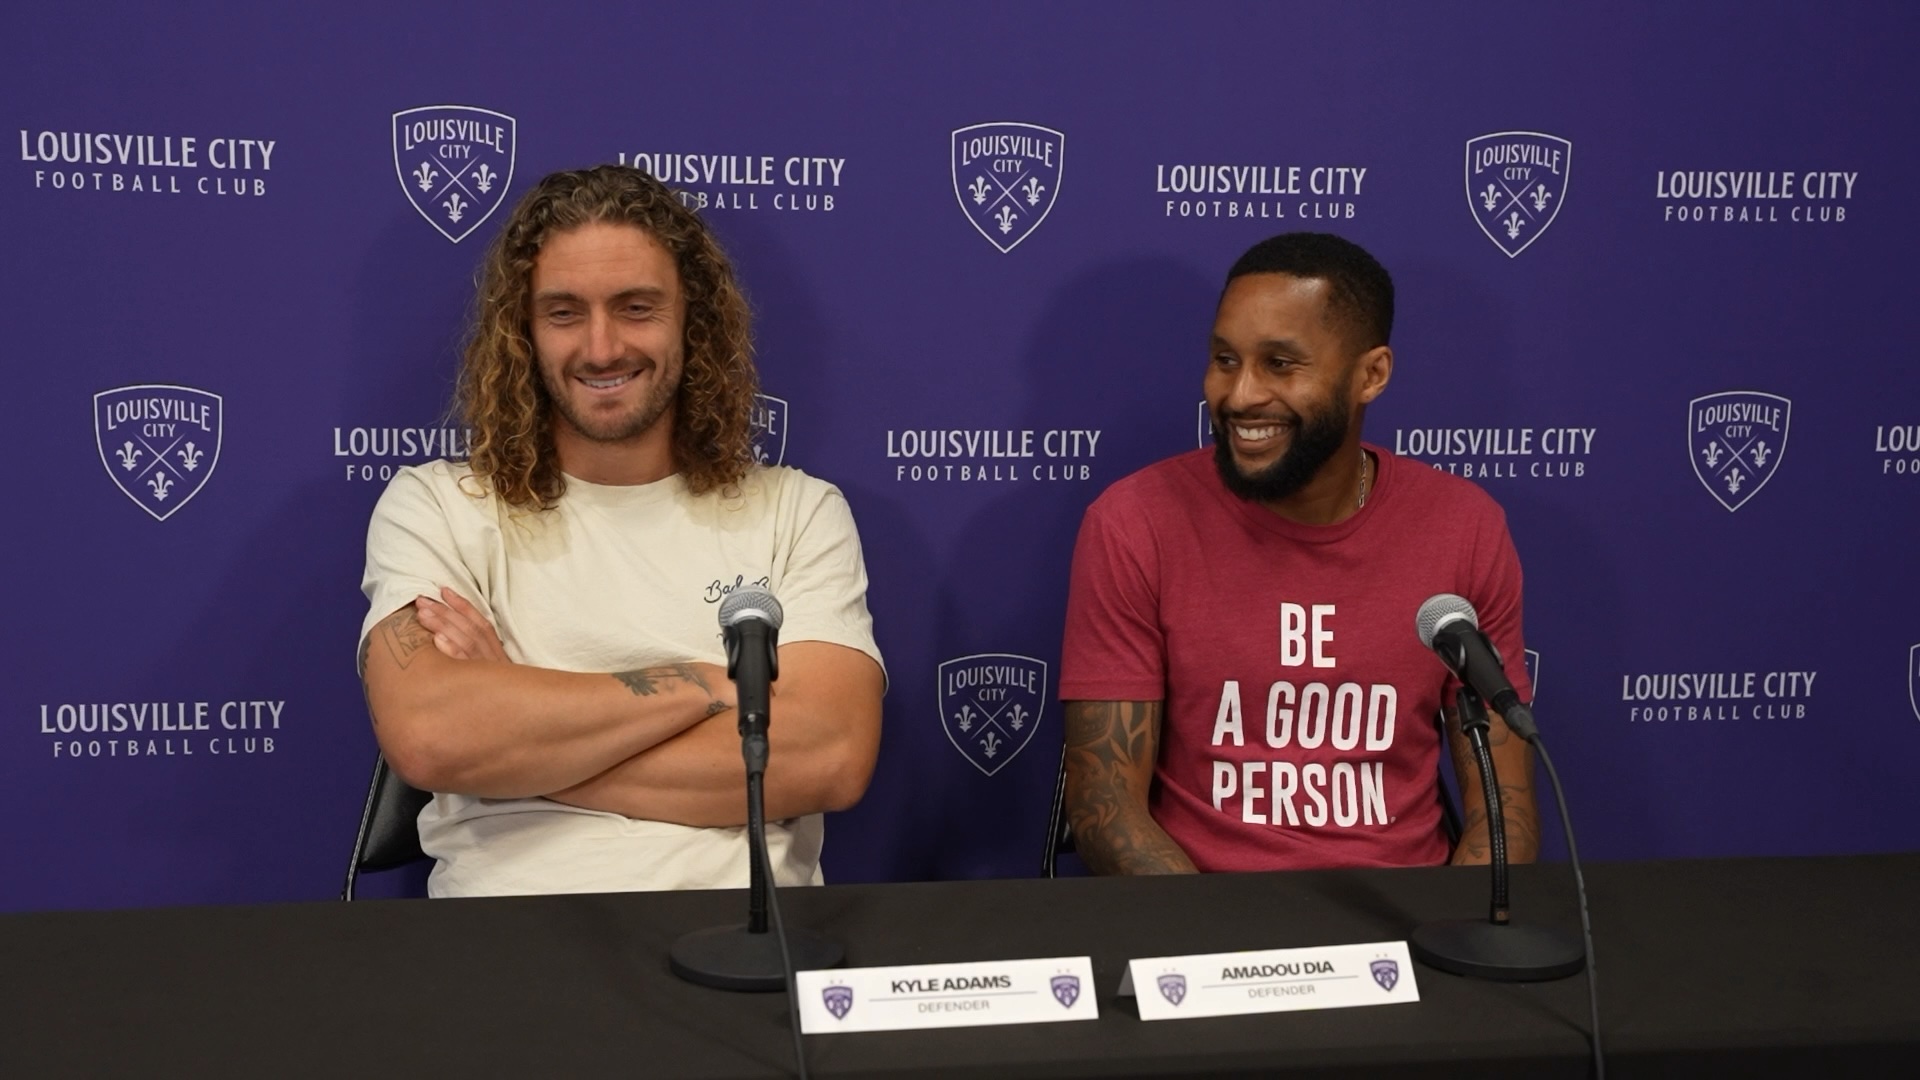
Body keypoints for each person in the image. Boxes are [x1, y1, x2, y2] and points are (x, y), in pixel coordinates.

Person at [357, 165, 885, 897]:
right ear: (523, 331)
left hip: (744, 934)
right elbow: (431, 735)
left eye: (636, 308)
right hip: (506, 936)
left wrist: (518, 738)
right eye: (564, 313)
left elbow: (830, 757)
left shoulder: (799, 512)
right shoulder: (438, 506)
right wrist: (709, 683)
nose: (602, 348)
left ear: (691, 319)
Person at [1058, 232, 1537, 874]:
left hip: (1409, 916)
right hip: (1201, 911)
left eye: (1280, 364)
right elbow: (1108, 810)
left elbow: (1504, 814)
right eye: (1225, 360)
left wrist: (1460, 926)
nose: (1240, 395)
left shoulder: (1464, 526)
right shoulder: (1134, 523)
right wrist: (1218, 937)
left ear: (1371, 375)